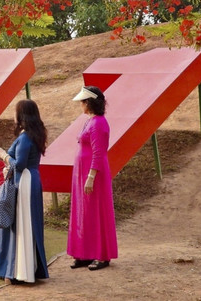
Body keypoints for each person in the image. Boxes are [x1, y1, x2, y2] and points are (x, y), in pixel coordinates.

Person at [0, 99, 49, 284]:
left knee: (21, 223)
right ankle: (26, 268)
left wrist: (4, 156)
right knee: (29, 223)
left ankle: (16, 271)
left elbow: (20, 164)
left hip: (24, 181)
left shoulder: (25, 137)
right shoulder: (35, 134)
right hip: (31, 180)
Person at [68, 86, 118, 271]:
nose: (80, 105)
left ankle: (101, 255)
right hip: (83, 173)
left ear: (89, 103)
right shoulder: (90, 121)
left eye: (82, 102)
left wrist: (90, 176)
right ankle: (85, 252)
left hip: (93, 174)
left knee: (96, 212)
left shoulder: (98, 123)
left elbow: (98, 152)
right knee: (85, 212)